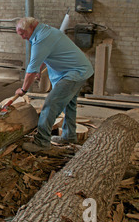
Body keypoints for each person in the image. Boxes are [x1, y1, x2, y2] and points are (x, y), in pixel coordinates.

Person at [14, 17, 94, 152]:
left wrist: (23, 90)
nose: (22, 37)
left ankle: (42, 143)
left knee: (50, 105)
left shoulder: (41, 39)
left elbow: (30, 70)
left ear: (31, 27)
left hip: (74, 73)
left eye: (22, 33)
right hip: (80, 70)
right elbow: (47, 55)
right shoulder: (46, 31)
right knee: (69, 105)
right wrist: (39, 68)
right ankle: (69, 136)